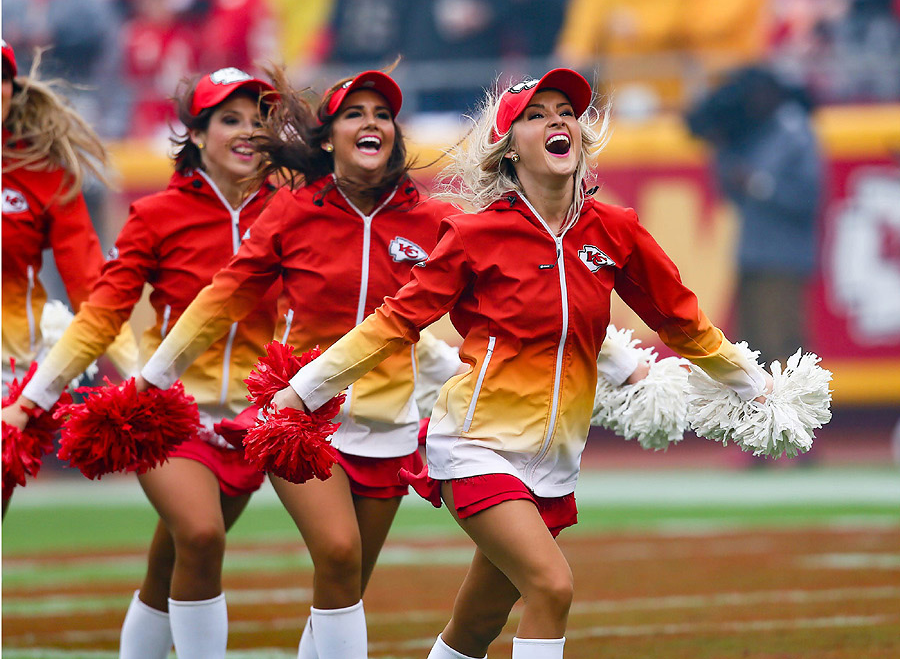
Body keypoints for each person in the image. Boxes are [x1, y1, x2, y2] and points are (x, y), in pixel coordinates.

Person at [270, 68, 773, 659]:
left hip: (555, 462)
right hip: (474, 446)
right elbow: (394, 322)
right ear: (510, 150)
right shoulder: (475, 235)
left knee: (476, 626)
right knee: (551, 586)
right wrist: (302, 391)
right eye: (536, 115)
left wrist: (758, 387)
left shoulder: (616, 232)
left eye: (566, 111)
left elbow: (681, 322)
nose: (557, 120)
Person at [135, 67, 466, 659]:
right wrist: (151, 380)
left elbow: (510, 282)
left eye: (382, 114)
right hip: (302, 419)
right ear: (328, 136)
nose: (371, 123)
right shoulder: (293, 209)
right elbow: (222, 297)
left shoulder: (432, 219)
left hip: (389, 430)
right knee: (336, 553)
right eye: (354, 113)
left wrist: (622, 363)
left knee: (346, 585)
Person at [2, 66, 283, 659]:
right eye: (229, 119)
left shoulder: (291, 213)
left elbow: (335, 302)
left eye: (258, 121)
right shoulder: (159, 213)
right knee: (201, 536)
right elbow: (100, 311)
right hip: (167, 415)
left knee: (174, 561)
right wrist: (43, 398)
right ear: (197, 135)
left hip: (252, 423)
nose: (246, 133)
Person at [1, 38, 136, 515]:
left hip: (7, 369)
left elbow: (88, 281)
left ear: (12, 91)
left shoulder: (44, 174)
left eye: (0, 76)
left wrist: (135, 370)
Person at [685, 65, 824, 369]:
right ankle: (757, 416)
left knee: (783, 347)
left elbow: (808, 197)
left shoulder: (794, 130)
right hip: (752, 253)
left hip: (784, 258)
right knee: (752, 349)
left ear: (772, 93)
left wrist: (759, 185)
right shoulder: (756, 131)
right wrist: (722, 148)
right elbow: (731, 193)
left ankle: (796, 416)